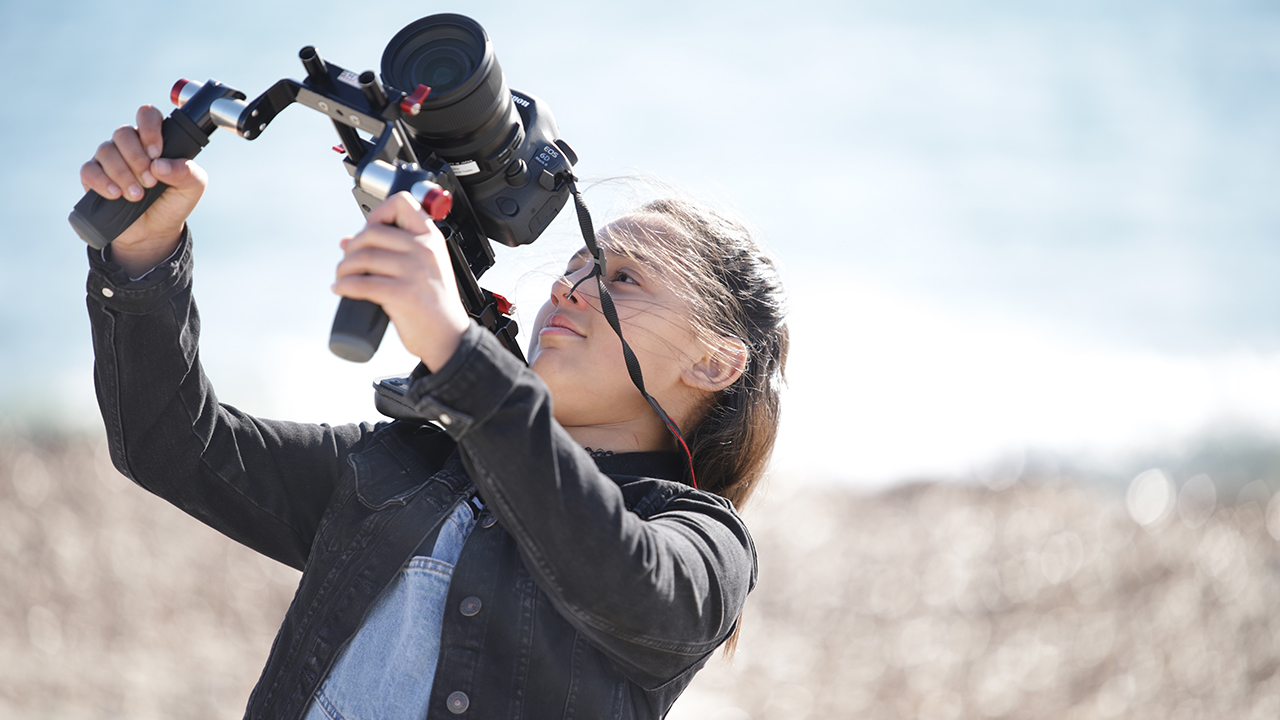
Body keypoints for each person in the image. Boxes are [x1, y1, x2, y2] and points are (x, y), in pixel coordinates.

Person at [80, 103, 789, 719]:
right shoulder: (412, 467)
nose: (568, 288)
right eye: (575, 265)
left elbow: (625, 578)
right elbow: (171, 444)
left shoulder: (706, 542)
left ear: (714, 363)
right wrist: (144, 256)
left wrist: (460, 355)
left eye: (623, 278)